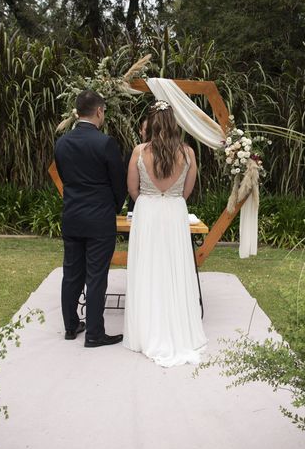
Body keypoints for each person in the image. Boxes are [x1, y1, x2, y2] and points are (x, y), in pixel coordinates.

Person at [123, 100, 207, 366]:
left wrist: (150, 199)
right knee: (174, 267)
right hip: (173, 211)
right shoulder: (188, 153)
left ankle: (146, 330)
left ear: (152, 124)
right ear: (175, 124)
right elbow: (186, 192)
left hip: (147, 211)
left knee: (147, 268)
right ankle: (177, 326)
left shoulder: (138, 151)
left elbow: (132, 190)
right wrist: (169, 198)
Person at [54, 90, 127, 347]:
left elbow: (65, 177)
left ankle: (71, 326)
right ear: (99, 111)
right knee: (96, 275)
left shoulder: (61, 143)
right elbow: (118, 184)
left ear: (77, 113)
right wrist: (113, 207)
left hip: (72, 216)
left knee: (71, 273)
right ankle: (95, 333)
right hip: (99, 220)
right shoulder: (105, 143)